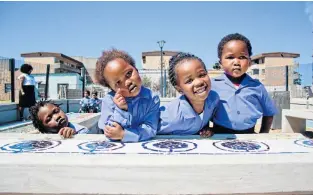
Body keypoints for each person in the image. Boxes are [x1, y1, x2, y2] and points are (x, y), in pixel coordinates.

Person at [211, 33, 277, 134]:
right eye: (230, 57)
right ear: (220, 63)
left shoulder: (257, 86)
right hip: (219, 134)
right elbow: (203, 111)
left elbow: (268, 113)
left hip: (249, 134)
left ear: (249, 62)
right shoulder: (212, 85)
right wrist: (205, 128)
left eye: (242, 57)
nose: (236, 62)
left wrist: (263, 134)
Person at [95, 48, 160, 142]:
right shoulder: (109, 100)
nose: (127, 82)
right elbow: (109, 131)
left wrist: (124, 134)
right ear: (112, 89)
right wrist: (121, 110)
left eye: (129, 73)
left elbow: (151, 129)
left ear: (136, 69)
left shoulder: (152, 98)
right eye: (118, 83)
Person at [157, 52, 219, 137]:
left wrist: (207, 128)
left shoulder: (213, 99)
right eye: (189, 81)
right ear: (179, 89)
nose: (199, 82)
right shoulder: (171, 117)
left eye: (202, 75)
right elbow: (149, 129)